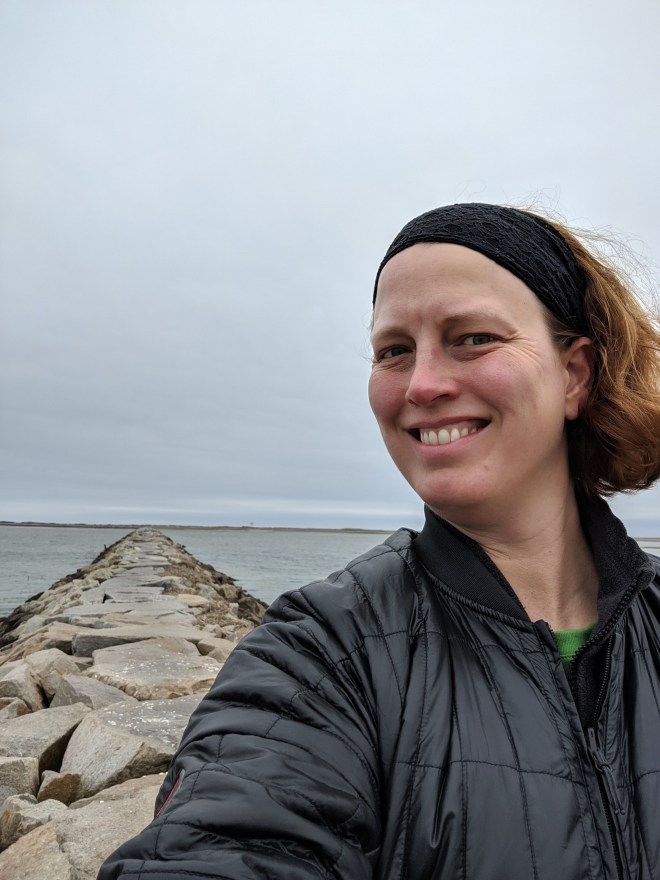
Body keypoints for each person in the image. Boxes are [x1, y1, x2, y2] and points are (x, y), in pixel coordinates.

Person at [98, 203, 660, 879]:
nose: (422, 384)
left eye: (473, 337)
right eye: (394, 350)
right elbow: (231, 835)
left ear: (575, 374)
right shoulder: (323, 651)